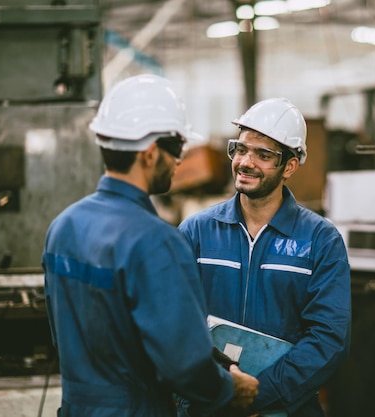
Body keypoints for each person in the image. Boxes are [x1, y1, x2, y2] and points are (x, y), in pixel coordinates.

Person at [42, 74, 259, 417]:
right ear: (149, 153)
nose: (178, 161)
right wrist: (231, 389)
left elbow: (62, 334)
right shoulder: (157, 242)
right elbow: (185, 364)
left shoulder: (63, 226)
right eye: (176, 149)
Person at [178, 98, 352, 417]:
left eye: (263, 154)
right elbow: (176, 324)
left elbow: (328, 340)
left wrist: (257, 396)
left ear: (289, 166)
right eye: (241, 149)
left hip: (287, 407)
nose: (246, 162)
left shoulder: (320, 240)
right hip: (207, 405)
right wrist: (220, 389)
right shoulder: (196, 232)